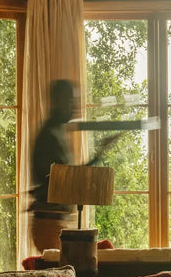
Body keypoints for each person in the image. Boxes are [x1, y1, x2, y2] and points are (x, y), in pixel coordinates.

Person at [28, 79, 115, 251]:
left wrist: (99, 154)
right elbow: (65, 180)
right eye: (69, 101)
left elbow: (68, 177)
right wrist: (99, 155)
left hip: (55, 221)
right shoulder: (49, 136)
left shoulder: (56, 132)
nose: (74, 107)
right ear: (57, 101)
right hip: (49, 224)